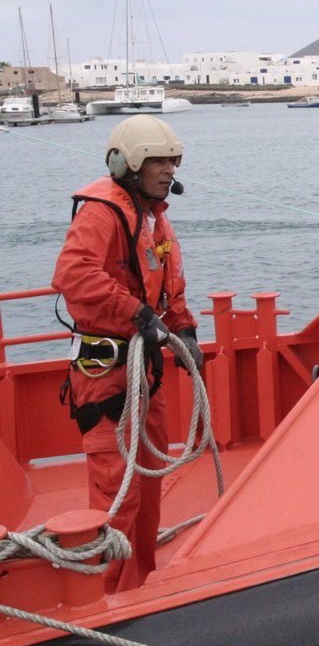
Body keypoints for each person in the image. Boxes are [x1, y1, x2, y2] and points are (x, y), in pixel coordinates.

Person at [52, 114, 203, 593]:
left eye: (172, 161)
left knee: (149, 483)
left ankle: (138, 587)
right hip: (108, 377)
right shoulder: (102, 212)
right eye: (158, 161)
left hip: (144, 374)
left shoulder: (154, 217)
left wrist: (185, 330)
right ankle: (108, 596)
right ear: (128, 164)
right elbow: (74, 275)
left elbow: (167, 286)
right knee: (118, 492)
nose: (168, 170)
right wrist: (137, 315)